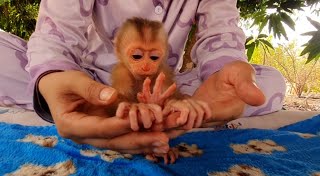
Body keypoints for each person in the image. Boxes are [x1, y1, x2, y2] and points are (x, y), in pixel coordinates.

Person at [0, 0, 286, 155]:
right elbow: (54, 37)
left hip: (165, 88)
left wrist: (221, 73)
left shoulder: (159, 71)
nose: (146, 65)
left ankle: (162, 114)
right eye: (138, 57)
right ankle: (60, 97)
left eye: (154, 56)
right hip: (85, 80)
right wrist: (51, 78)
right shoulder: (115, 66)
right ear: (120, 51)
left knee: (270, 82)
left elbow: (221, 36)